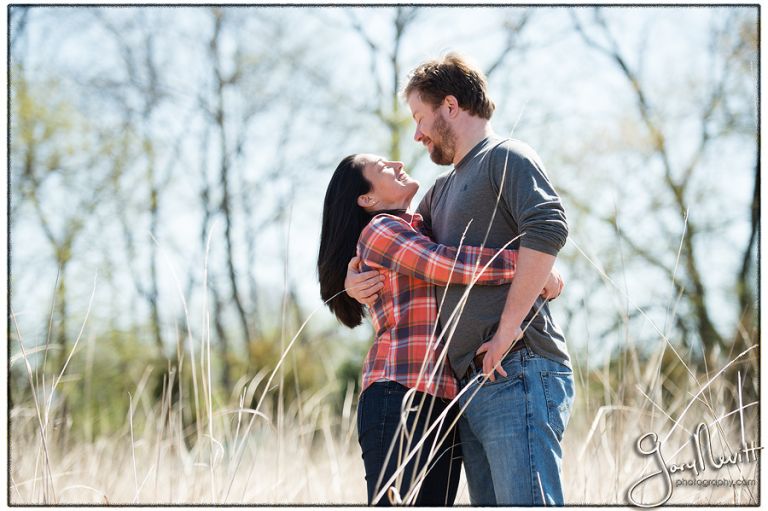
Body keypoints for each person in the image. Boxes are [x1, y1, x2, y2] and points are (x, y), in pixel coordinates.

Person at [345, 53, 574, 506]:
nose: (416, 134)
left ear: (450, 106)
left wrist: (509, 328)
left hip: (518, 365)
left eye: (419, 117)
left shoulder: (506, 156)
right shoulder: (438, 192)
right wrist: (352, 280)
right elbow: (414, 253)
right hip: (468, 384)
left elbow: (547, 225)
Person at [317, 153, 562, 506]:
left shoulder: (420, 224)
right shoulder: (380, 229)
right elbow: (445, 264)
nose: (398, 164)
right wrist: (529, 267)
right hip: (398, 393)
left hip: (443, 400)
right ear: (367, 199)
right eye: (384, 168)